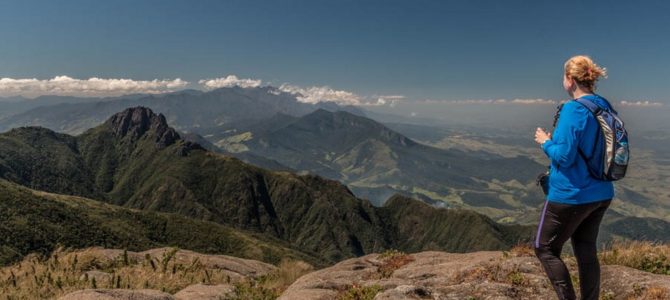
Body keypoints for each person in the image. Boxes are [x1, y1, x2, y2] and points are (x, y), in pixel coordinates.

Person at [533, 55, 614, 300]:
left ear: (570, 79)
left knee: (544, 248)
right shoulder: (603, 105)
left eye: (563, 77)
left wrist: (545, 142)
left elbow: (565, 157)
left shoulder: (573, 109)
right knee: (585, 248)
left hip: (571, 194)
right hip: (601, 192)